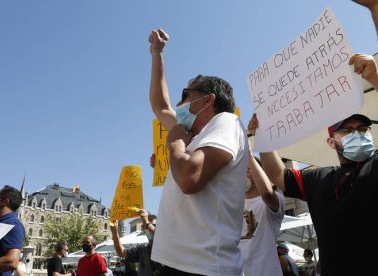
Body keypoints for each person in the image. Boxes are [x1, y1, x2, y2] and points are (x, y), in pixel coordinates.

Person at [248, 54, 378, 275]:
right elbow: (277, 174)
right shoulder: (319, 178)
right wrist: (263, 135)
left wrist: (375, 79)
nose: (358, 133)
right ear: (331, 141)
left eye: (363, 129)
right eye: (348, 130)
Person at [148, 28, 248, 275]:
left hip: (204, 268)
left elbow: (189, 179)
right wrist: (157, 53)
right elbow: (160, 105)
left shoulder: (226, 122)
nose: (179, 104)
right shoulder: (191, 132)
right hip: (179, 265)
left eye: (186, 95)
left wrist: (175, 144)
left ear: (207, 100)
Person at [238, 141, 285, 276]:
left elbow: (267, 194)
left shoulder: (276, 198)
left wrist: (249, 156)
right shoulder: (233, 203)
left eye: (246, 170)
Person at [110, 209, 161, 276]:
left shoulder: (166, 246)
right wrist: (115, 231)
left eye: (154, 226)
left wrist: (147, 223)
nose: (148, 228)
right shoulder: (142, 249)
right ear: (144, 231)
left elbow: (160, 237)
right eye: (146, 226)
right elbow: (121, 252)